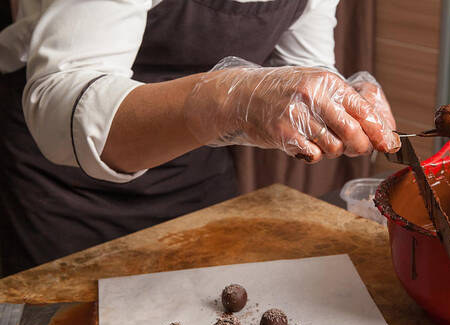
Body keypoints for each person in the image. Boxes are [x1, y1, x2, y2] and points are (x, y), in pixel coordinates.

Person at [0, 0, 399, 276]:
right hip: (59, 191)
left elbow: (302, 63)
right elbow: (57, 112)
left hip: (197, 173)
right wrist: (230, 99)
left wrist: (337, 95)